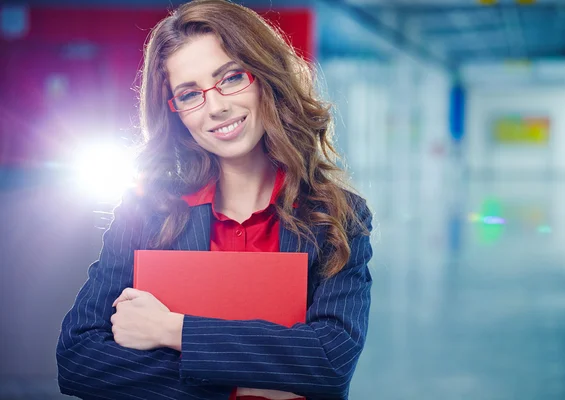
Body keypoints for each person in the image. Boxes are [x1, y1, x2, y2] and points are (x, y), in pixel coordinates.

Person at [56, 0, 373, 399]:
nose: (217, 107)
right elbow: (78, 359)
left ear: (265, 77)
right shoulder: (147, 212)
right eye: (190, 95)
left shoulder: (337, 216)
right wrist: (242, 386)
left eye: (231, 77)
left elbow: (329, 363)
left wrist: (173, 330)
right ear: (176, 114)